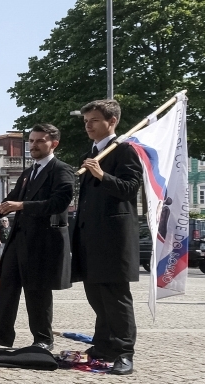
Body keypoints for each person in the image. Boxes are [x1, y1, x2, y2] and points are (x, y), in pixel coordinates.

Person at [0, 124, 75, 351]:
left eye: (40, 141)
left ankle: (43, 338)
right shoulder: (29, 172)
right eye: (31, 141)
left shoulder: (61, 170)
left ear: (53, 144)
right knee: (7, 286)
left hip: (42, 242)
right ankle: (2, 333)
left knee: (37, 291)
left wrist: (21, 205)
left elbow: (59, 203)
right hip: (18, 239)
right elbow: (12, 198)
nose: (34, 145)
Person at [71, 99, 142, 375]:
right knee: (97, 297)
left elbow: (129, 188)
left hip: (114, 240)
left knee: (116, 298)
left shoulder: (124, 151)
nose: (88, 125)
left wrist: (101, 175)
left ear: (111, 122)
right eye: (86, 120)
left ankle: (124, 352)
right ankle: (102, 346)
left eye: (94, 120)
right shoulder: (90, 153)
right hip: (90, 238)